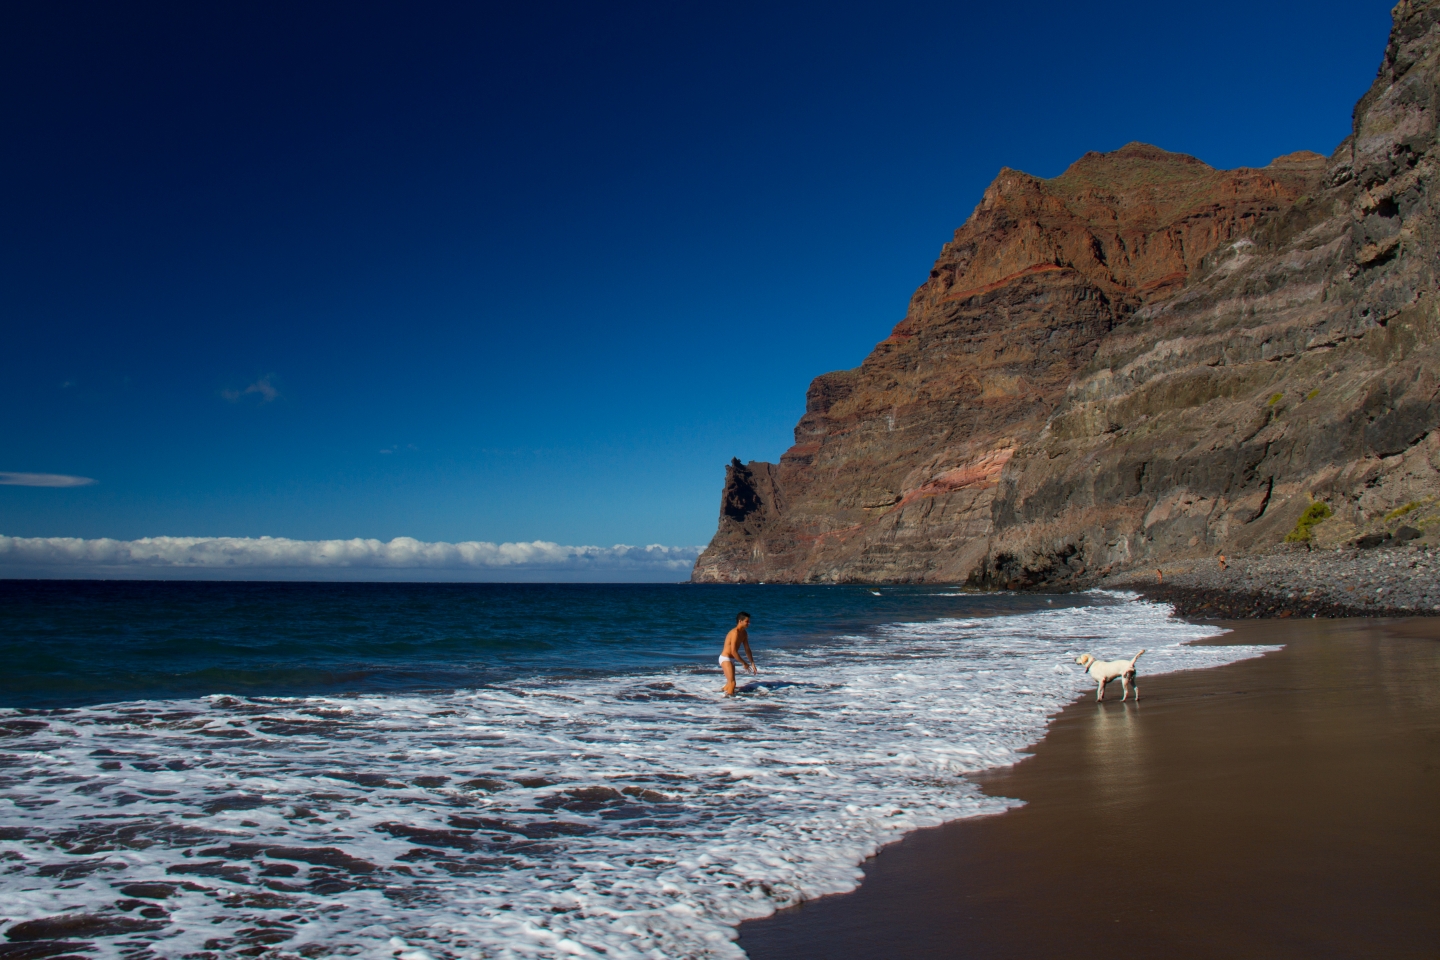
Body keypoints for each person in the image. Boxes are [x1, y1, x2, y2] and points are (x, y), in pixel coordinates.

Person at [719, 611, 756, 697]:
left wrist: (752, 663)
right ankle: (730, 705)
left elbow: (747, 649)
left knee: (729, 684)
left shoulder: (744, 633)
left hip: (731, 659)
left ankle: (719, 696)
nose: (749, 623)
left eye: (749, 621)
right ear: (740, 621)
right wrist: (744, 663)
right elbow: (733, 651)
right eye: (747, 621)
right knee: (733, 683)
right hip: (725, 658)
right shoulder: (735, 633)